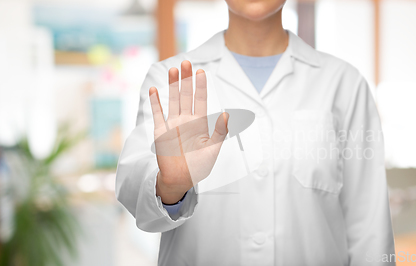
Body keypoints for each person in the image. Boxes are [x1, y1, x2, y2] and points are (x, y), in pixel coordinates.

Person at [116, 0, 395, 265]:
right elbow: (135, 196)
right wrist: (169, 187)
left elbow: (370, 228)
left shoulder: (344, 83)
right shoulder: (171, 80)